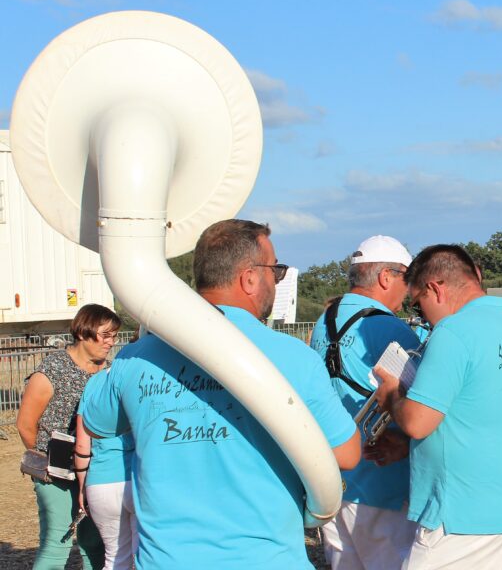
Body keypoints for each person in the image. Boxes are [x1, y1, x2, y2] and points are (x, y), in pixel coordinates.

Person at [81, 219, 361, 568]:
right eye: (275, 270)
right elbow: (346, 453)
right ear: (249, 278)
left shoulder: (137, 356)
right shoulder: (294, 357)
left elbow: (96, 422)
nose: (277, 281)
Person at [374, 244, 502, 568]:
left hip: (463, 517)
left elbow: (416, 422)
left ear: (435, 289)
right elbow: (483, 412)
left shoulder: (452, 332)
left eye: (419, 303)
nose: (423, 316)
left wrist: (391, 396)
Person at [309, 235, 421, 570]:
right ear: (386, 277)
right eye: (407, 279)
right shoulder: (389, 327)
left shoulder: (324, 321)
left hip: (334, 480)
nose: (410, 291)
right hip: (383, 481)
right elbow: (422, 405)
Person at [16, 304, 118, 570]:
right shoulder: (53, 369)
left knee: (94, 543)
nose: (111, 342)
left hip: (96, 469)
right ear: (83, 333)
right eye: (105, 335)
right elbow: (26, 424)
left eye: (114, 336)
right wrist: (48, 460)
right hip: (55, 474)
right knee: (56, 543)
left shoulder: (110, 372)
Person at [75, 371, 137, 570]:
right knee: (145, 557)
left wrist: (82, 487)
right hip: (139, 479)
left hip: (100, 483)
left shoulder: (95, 382)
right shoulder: (141, 376)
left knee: (114, 558)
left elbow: (82, 445)